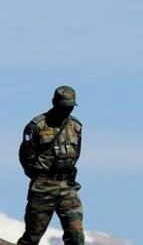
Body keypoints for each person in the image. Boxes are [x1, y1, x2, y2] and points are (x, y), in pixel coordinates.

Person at [17, 85, 84, 245]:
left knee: (76, 236)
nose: (67, 111)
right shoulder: (37, 126)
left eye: (70, 107)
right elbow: (25, 156)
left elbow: (77, 153)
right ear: (54, 102)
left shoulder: (76, 126)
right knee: (32, 237)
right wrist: (40, 177)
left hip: (68, 187)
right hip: (43, 188)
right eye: (64, 106)